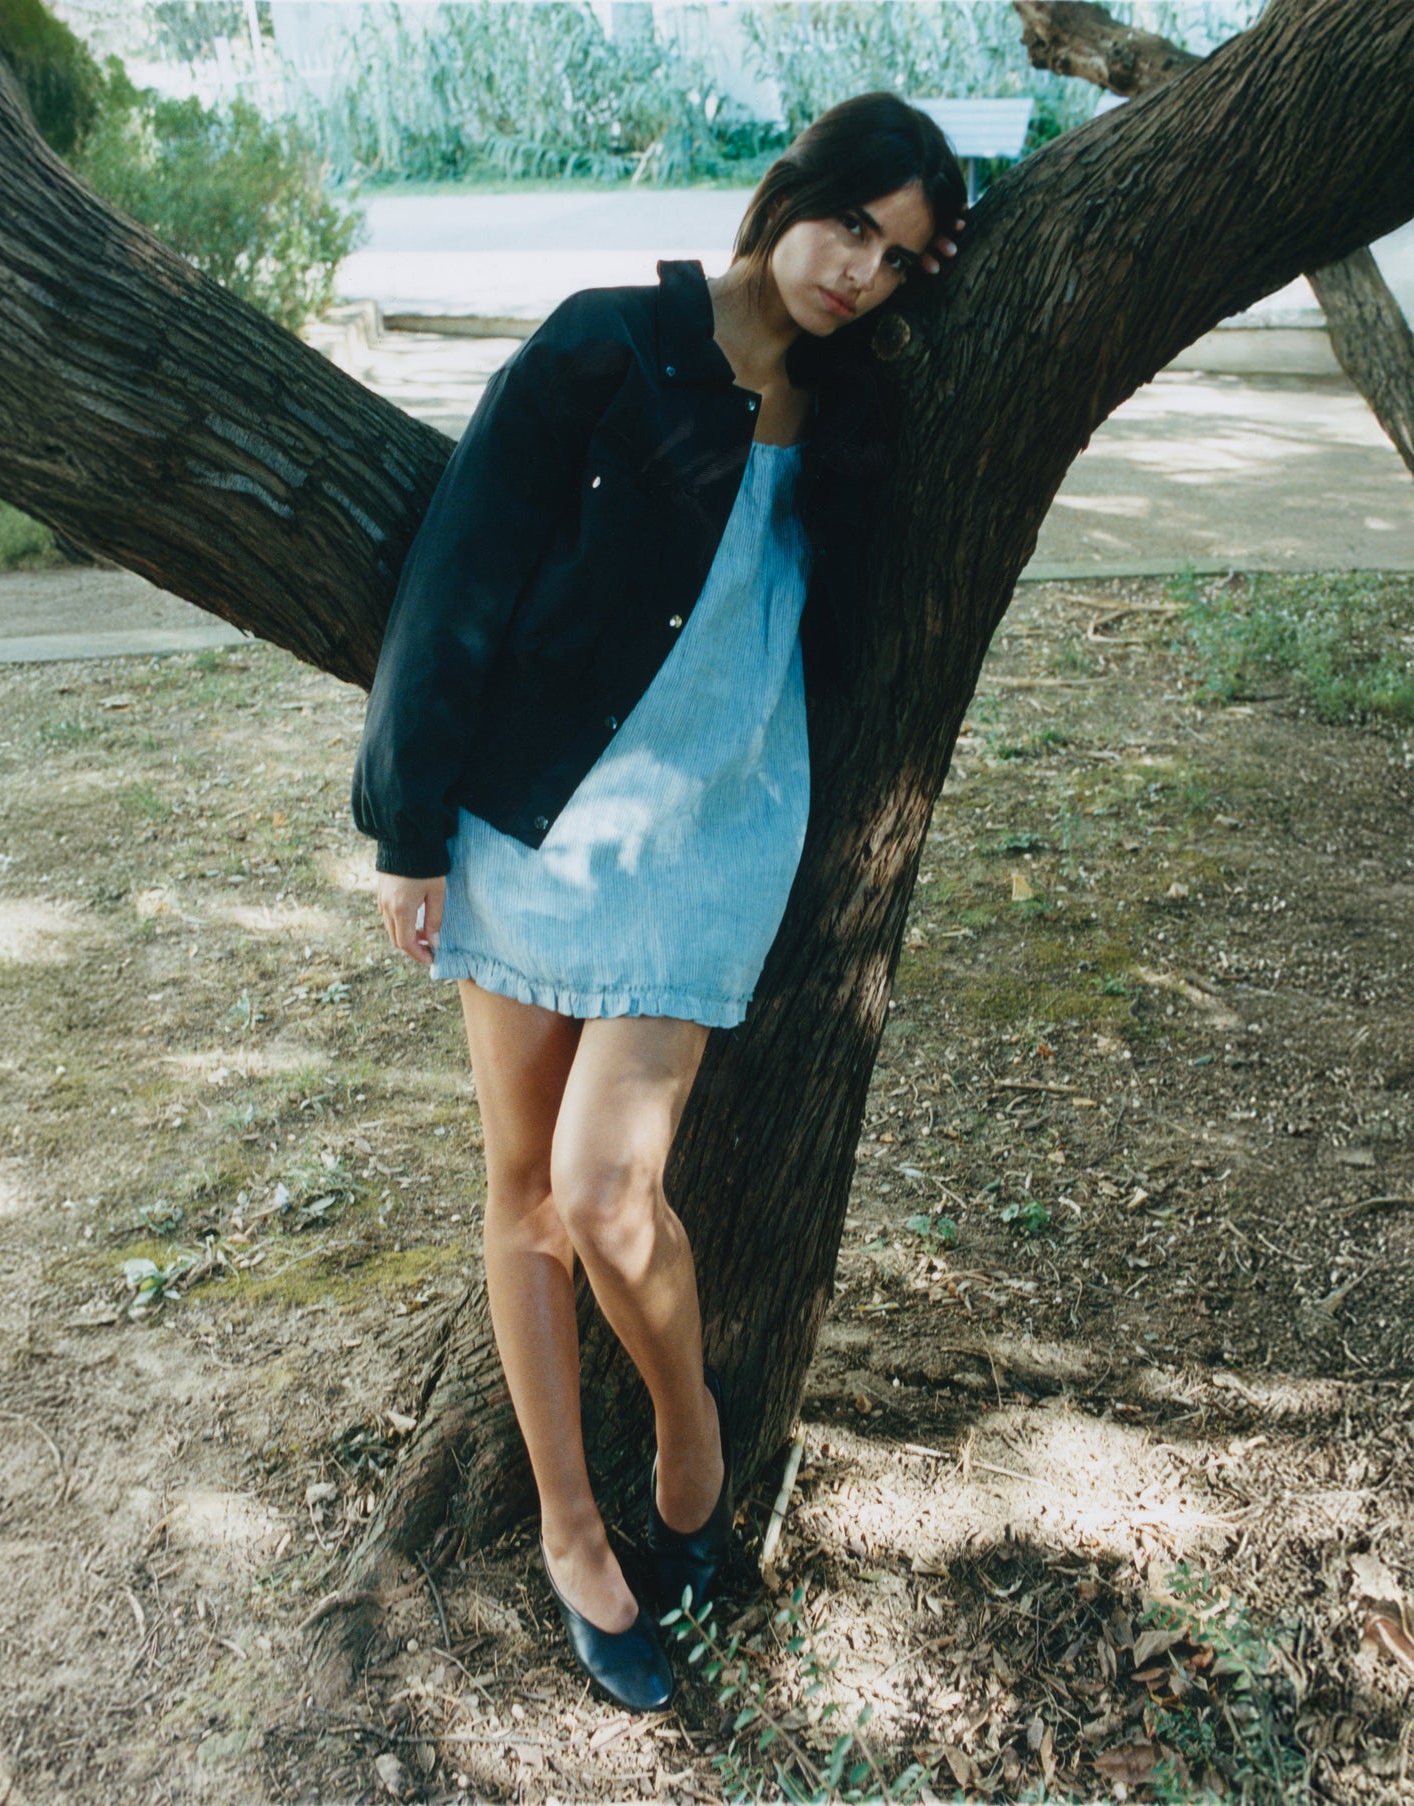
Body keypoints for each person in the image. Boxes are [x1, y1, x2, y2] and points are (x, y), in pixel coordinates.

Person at [351, 91, 966, 1712]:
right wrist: (406, 827)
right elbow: (457, 574)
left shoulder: (849, 411)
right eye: (852, 224)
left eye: (899, 257)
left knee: (608, 1196)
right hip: (535, 823)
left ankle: (690, 1441)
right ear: (792, 197)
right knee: (527, 1197)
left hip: (713, 834)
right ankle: (571, 1530)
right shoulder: (606, 345)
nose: (859, 271)